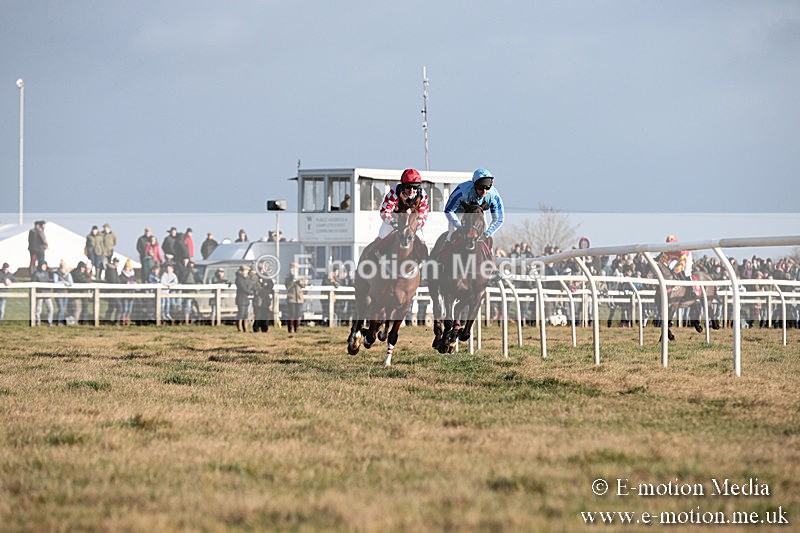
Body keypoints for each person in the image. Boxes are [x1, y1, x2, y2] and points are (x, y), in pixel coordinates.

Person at [432, 168, 505, 280]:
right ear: (474, 185)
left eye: (487, 187)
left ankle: (492, 268)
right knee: (452, 235)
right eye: (481, 188)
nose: (484, 191)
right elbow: (448, 210)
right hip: (460, 212)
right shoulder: (461, 192)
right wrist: (459, 227)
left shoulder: (493, 195)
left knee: (487, 238)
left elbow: (499, 218)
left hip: (477, 213)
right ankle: (441, 263)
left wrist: (487, 233)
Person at [284, 262, 306, 334]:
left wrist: (298, 280)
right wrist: (292, 281)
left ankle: (296, 329)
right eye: (292, 267)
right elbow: (287, 287)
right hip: (292, 298)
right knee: (292, 314)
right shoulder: (288, 277)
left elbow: (304, 284)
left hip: (299, 298)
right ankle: (290, 329)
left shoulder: (300, 276)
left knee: (298, 314)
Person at [32, 261, 54, 327]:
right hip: (39, 294)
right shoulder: (36, 274)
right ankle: (37, 322)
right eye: (42, 265)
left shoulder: (47, 273)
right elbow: (33, 283)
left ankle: (49, 322)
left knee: (50, 308)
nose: (44, 267)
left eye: (45, 265)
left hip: (47, 293)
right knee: (38, 309)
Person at [53, 260, 74, 325]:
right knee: (61, 308)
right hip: (58, 293)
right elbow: (55, 282)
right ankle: (59, 322)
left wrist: (67, 283)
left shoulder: (68, 274)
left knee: (63, 308)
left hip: (66, 293)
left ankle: (62, 321)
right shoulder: (56, 274)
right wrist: (64, 282)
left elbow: (71, 282)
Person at [234, 265, 255, 332]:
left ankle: (245, 328)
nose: (247, 272)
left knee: (246, 314)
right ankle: (239, 327)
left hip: (246, 298)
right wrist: (250, 292)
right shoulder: (239, 278)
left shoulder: (247, 278)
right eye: (246, 271)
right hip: (241, 298)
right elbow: (243, 288)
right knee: (241, 313)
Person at [119, 260, 137, 325]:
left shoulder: (132, 275)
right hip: (125, 294)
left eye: (128, 267)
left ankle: (128, 321)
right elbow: (121, 282)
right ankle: (123, 321)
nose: (127, 268)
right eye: (126, 267)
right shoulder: (122, 275)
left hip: (131, 294)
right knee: (125, 309)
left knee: (129, 310)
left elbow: (135, 282)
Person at [104, 257, 121, 324]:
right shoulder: (111, 270)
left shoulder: (113, 269)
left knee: (111, 307)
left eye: (117, 262)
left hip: (114, 291)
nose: (116, 263)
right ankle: (116, 322)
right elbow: (113, 281)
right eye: (115, 262)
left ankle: (107, 320)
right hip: (114, 291)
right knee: (119, 307)